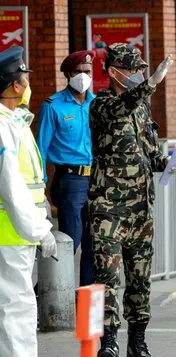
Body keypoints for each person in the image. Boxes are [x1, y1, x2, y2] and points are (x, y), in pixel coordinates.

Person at [89, 43, 176, 357]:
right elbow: (123, 105)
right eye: (135, 71)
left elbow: (150, 154)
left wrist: (166, 162)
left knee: (139, 280)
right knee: (108, 278)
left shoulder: (142, 109)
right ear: (114, 72)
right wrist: (151, 83)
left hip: (140, 210)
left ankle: (138, 340)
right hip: (108, 208)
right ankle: (109, 341)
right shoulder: (102, 104)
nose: (140, 75)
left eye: (143, 71)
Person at [0, 45, 63, 357]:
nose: (28, 82)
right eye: (23, 77)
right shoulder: (5, 128)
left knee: (6, 307)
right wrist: (40, 231)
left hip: (13, 231)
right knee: (18, 309)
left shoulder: (15, 122)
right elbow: (11, 187)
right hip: (12, 232)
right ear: (10, 84)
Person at [37, 50, 96, 286]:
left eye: (87, 72)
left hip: (96, 179)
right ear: (67, 75)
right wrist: (40, 185)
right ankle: (48, 294)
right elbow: (40, 149)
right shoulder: (53, 106)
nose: (83, 76)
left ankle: (85, 297)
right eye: (78, 72)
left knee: (94, 243)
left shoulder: (97, 104)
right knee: (70, 240)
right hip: (69, 180)